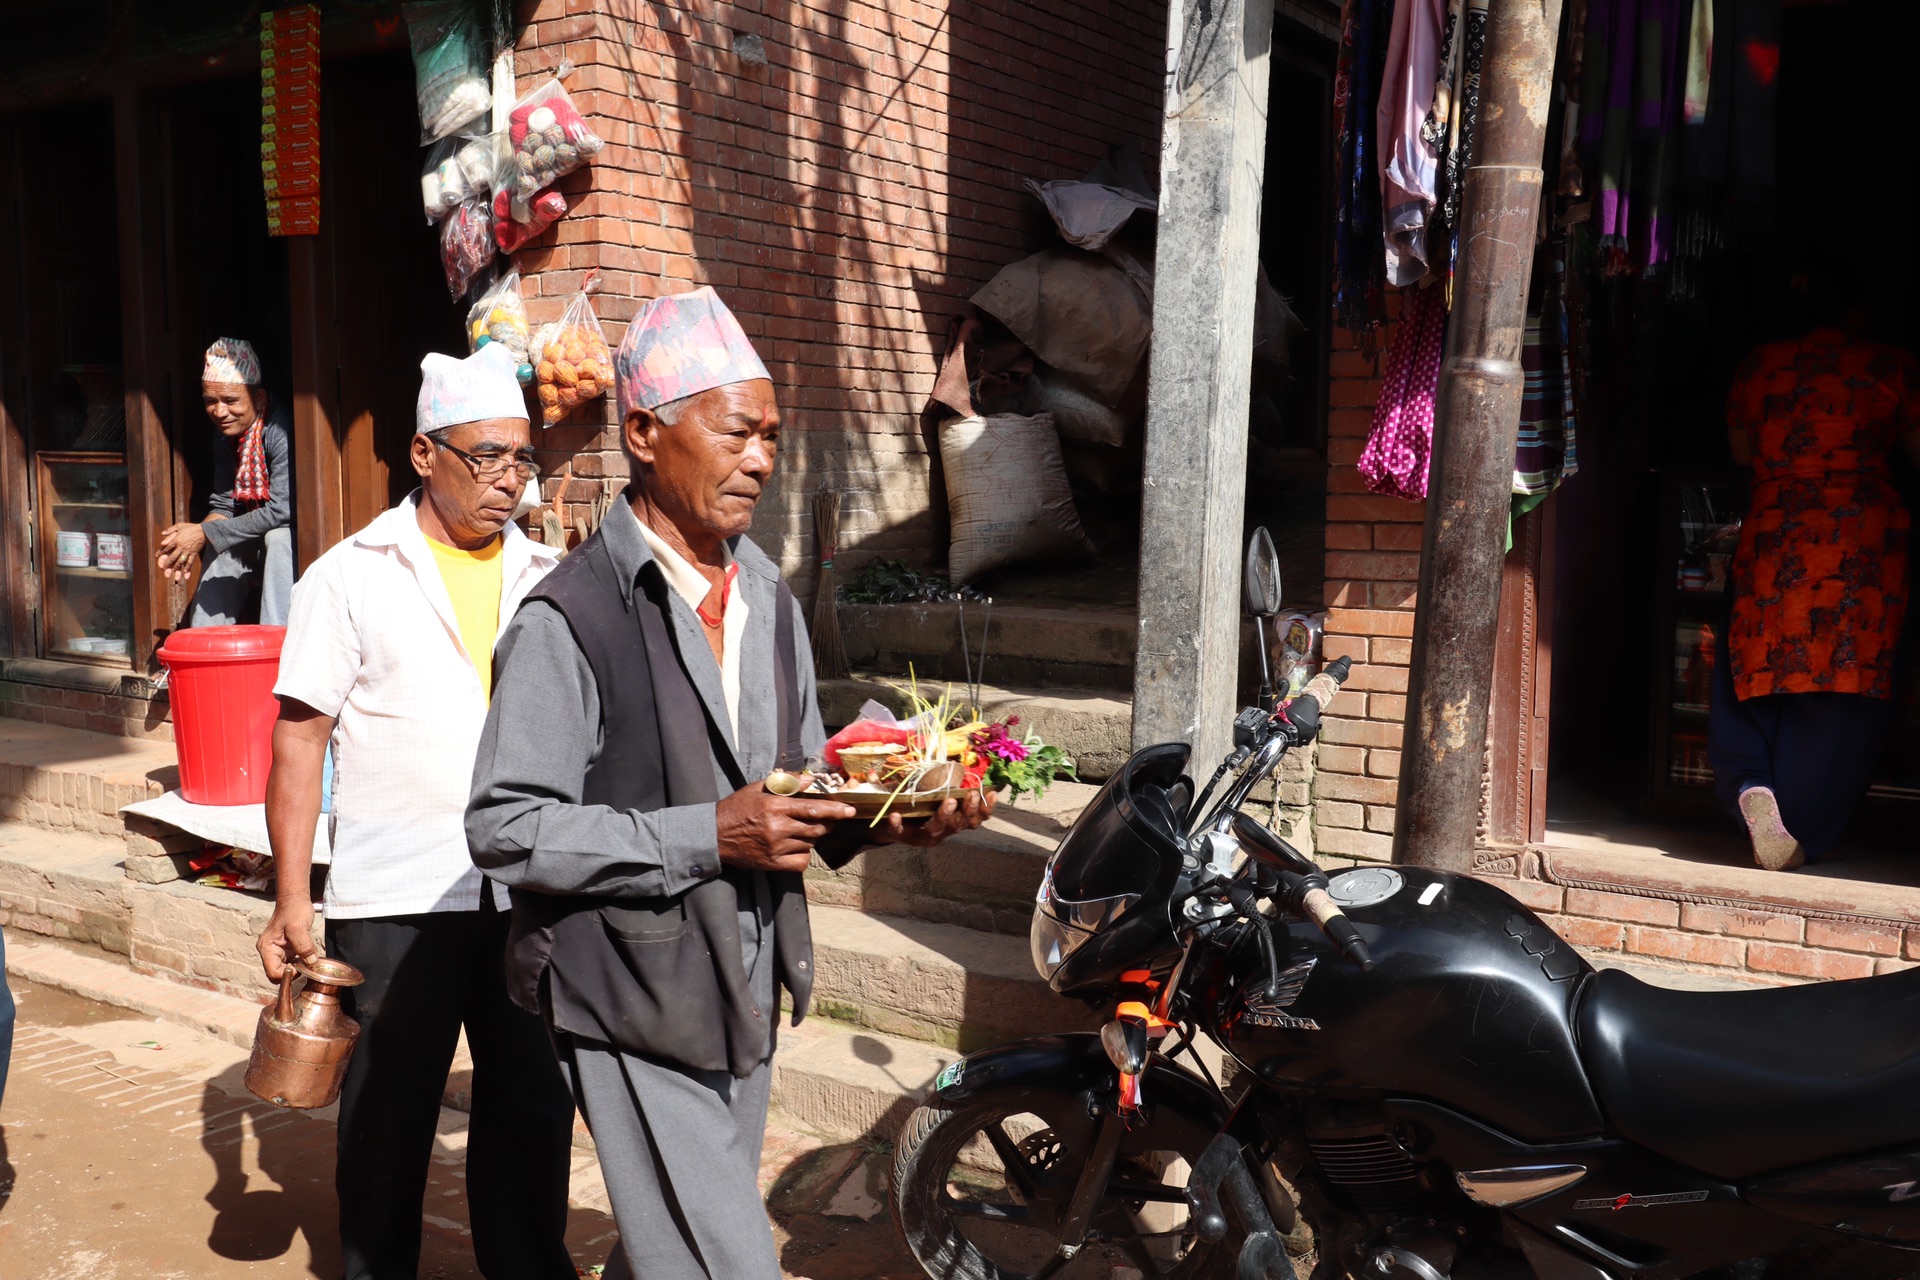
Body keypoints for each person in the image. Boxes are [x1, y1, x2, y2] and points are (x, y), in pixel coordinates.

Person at [466, 287, 992, 1280]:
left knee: (671, 1248)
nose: (760, 456)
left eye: (771, 435)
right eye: (736, 429)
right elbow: (504, 827)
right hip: (623, 985)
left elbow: (792, 794)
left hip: (743, 977)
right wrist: (710, 834)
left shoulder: (766, 596)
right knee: (728, 1264)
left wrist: (899, 806)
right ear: (643, 431)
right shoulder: (567, 618)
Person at [256, 343, 575, 1280]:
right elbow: (299, 742)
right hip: (393, 898)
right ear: (425, 454)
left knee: (531, 1104)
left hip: (526, 891)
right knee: (388, 1116)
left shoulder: (553, 577)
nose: (509, 480)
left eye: (523, 459)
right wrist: (291, 900)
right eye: (488, 456)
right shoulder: (349, 576)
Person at [1709, 287, 1920, 870]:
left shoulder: (1759, 365)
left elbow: (1741, 451)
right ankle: (1799, 827)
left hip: (1777, 532)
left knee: (1753, 669)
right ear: (1858, 312)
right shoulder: (1891, 366)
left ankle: (1753, 784)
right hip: (1863, 545)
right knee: (1845, 692)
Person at [158, 338, 296, 626]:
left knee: (278, 538)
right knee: (221, 546)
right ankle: (204, 648)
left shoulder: (279, 430)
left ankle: (276, 643)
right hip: (253, 528)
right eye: (211, 401)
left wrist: (206, 533)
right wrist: (191, 543)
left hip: (288, 532)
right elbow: (224, 502)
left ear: (258, 399)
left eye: (231, 401)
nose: (220, 412)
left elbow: (283, 510)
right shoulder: (225, 434)